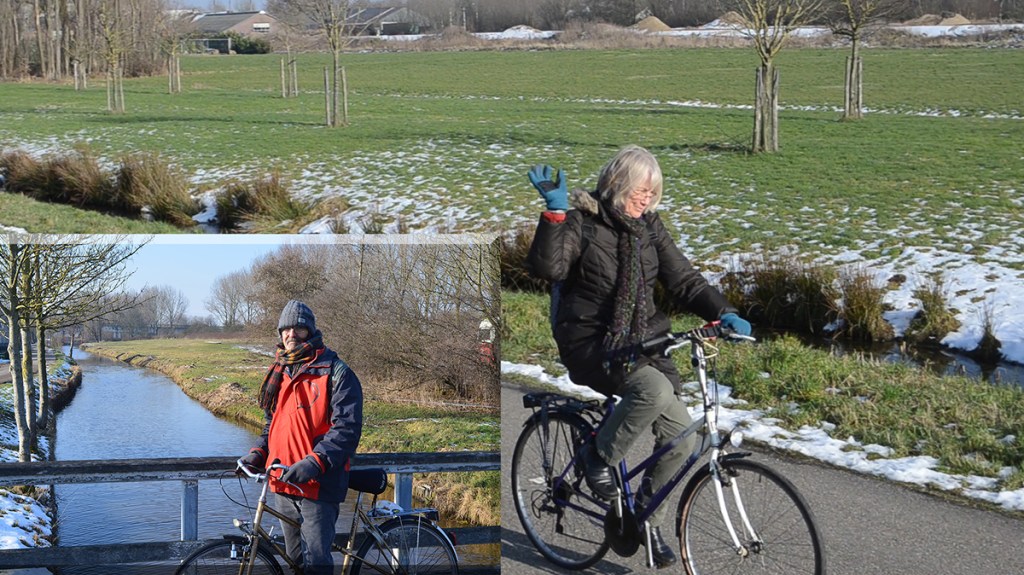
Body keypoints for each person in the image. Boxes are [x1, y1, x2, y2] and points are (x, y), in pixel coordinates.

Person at [526, 145, 751, 568]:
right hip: (591, 343)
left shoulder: (649, 229)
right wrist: (554, 215)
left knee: (683, 439)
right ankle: (597, 458)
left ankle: (644, 523)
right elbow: (549, 269)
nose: (646, 198)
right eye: (640, 190)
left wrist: (726, 313)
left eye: (653, 192)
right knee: (651, 389)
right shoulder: (584, 223)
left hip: (644, 345)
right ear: (616, 184)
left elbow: (683, 280)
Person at [238, 300, 363, 575]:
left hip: (318, 485)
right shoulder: (280, 371)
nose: (291, 334)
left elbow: (347, 429)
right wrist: (259, 452)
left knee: (317, 566)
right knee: (295, 562)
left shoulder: (336, 372)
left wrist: (315, 462)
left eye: (298, 328)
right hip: (283, 483)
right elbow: (273, 424)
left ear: (310, 332)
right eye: (286, 328)